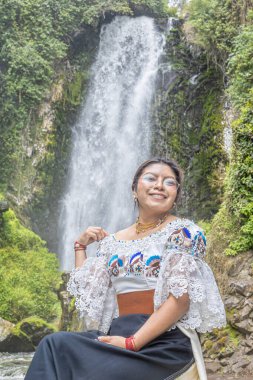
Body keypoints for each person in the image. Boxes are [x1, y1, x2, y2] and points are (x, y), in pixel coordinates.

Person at [25, 157, 226, 380]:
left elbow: (180, 299)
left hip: (164, 343)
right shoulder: (114, 241)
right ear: (134, 188)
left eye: (169, 182)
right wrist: (79, 246)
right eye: (151, 178)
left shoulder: (184, 233)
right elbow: (88, 293)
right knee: (54, 344)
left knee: (98, 373)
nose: (159, 185)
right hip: (119, 334)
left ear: (176, 195)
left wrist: (133, 342)